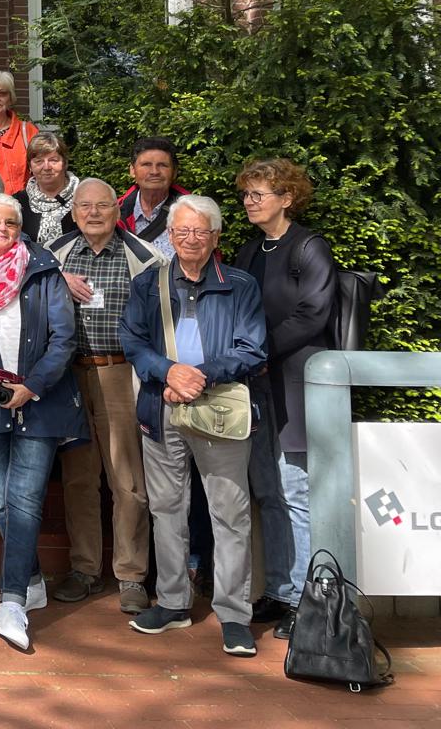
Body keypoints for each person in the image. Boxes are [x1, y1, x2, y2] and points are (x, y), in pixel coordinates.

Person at [120, 196, 267, 657]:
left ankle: (233, 614)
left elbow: (252, 348)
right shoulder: (149, 283)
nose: (190, 240)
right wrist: (167, 372)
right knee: (166, 507)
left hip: (219, 408)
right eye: (181, 232)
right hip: (161, 405)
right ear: (170, 236)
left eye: (200, 231)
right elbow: (132, 340)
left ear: (216, 237)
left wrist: (198, 376)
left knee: (230, 512)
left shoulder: (239, 285)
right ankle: (173, 601)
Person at [0, 193, 85, 652]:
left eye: (11, 222)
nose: (2, 229)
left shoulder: (44, 269)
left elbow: (64, 338)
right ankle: (30, 580)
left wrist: (32, 386)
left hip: (40, 402)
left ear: (20, 226)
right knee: (3, 502)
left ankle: (11, 603)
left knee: (24, 499)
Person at [48, 178, 163, 613]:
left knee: (127, 480)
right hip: (70, 377)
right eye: (84, 207)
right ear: (74, 212)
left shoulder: (143, 257)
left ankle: (131, 575)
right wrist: (57, 276)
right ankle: (84, 568)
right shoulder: (56, 253)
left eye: (101, 206)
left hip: (121, 374)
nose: (92, 213)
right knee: (78, 478)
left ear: (117, 210)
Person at [234, 158, 334, 639]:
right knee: (268, 492)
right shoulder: (251, 250)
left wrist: (259, 351)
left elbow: (314, 313)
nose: (250, 202)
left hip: (293, 384)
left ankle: (307, 600)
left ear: (287, 198)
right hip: (256, 386)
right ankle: (279, 591)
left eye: (259, 194)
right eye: (247, 195)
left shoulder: (309, 246)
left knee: (295, 492)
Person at [119, 137, 187, 258]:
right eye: (146, 164)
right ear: (132, 170)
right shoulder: (115, 213)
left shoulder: (194, 212)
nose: (154, 171)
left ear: (174, 171)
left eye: (162, 165)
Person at [14, 131, 79, 247]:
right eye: (39, 161)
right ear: (30, 166)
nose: (46, 167)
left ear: (65, 163)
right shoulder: (17, 203)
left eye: (53, 160)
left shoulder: (84, 196)